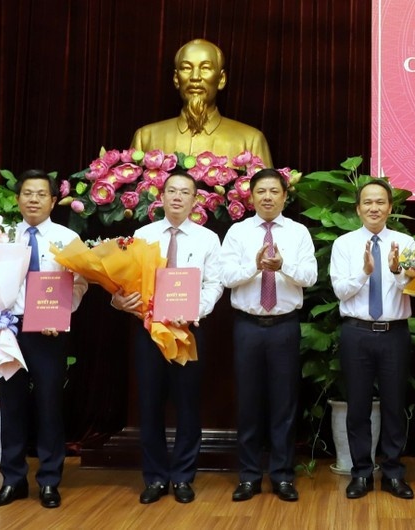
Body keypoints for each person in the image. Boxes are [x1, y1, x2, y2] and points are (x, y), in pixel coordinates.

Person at [0, 170, 88, 509]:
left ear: (53, 201)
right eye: (27, 193)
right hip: (7, 328)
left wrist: (60, 313)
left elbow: (79, 284)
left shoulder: (67, 238)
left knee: (49, 404)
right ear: (17, 199)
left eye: (41, 194)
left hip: (49, 330)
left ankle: (49, 481)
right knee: (11, 404)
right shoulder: (0, 238)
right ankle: (12, 480)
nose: (34, 199)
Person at [111, 171, 223, 505]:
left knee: (188, 406)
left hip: (188, 331)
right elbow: (127, 281)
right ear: (160, 197)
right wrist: (118, 300)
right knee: (149, 405)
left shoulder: (207, 239)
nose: (177, 197)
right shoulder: (142, 235)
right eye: (171, 191)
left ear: (195, 200)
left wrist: (194, 311)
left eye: (185, 192)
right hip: (149, 331)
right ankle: (156, 477)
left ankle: (184, 477)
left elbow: (214, 283)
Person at [219, 168, 317, 502]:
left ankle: (283, 476)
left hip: (284, 326)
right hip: (248, 326)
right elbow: (227, 276)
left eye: (274, 191)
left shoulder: (299, 232)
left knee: (284, 404)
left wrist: (282, 266)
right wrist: (256, 266)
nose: (268, 197)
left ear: (285, 197)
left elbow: (310, 276)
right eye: (261, 191)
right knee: (248, 403)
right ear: (251, 196)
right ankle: (248, 477)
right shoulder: (238, 232)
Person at [330, 179, 415, 500]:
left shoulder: (405, 242)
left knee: (394, 406)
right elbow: (340, 291)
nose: (374, 208)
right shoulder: (344, 244)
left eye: (380, 202)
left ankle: (393, 473)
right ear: (358, 209)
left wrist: (396, 271)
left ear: (390, 208)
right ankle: (361, 473)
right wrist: (365, 272)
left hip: (394, 334)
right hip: (357, 333)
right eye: (368, 202)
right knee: (357, 407)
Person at [131, 38, 272, 166]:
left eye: (205, 68)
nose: (195, 77)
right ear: (176, 78)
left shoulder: (250, 141)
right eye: (186, 68)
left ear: (221, 79)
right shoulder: (146, 137)